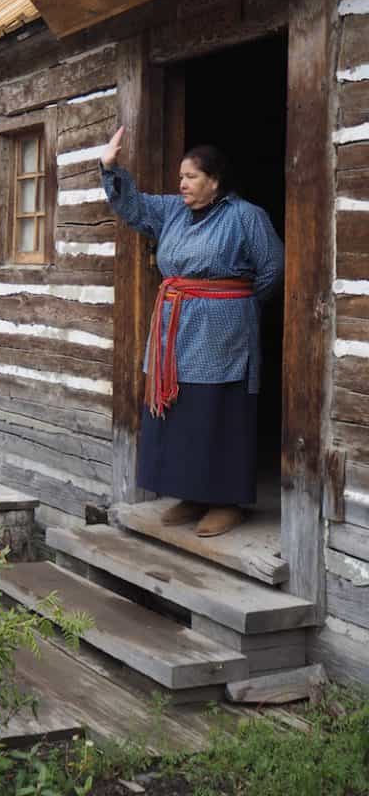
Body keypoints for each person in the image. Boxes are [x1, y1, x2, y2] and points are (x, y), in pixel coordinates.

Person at [100, 126, 284, 537]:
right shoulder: (172, 212)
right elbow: (132, 206)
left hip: (223, 334)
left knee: (217, 411)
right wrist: (110, 167)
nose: (181, 183)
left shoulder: (245, 217)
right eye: (180, 176)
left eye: (191, 177)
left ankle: (226, 500)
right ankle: (192, 493)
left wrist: (238, 306)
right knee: (180, 412)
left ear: (214, 181)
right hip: (173, 328)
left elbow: (272, 268)